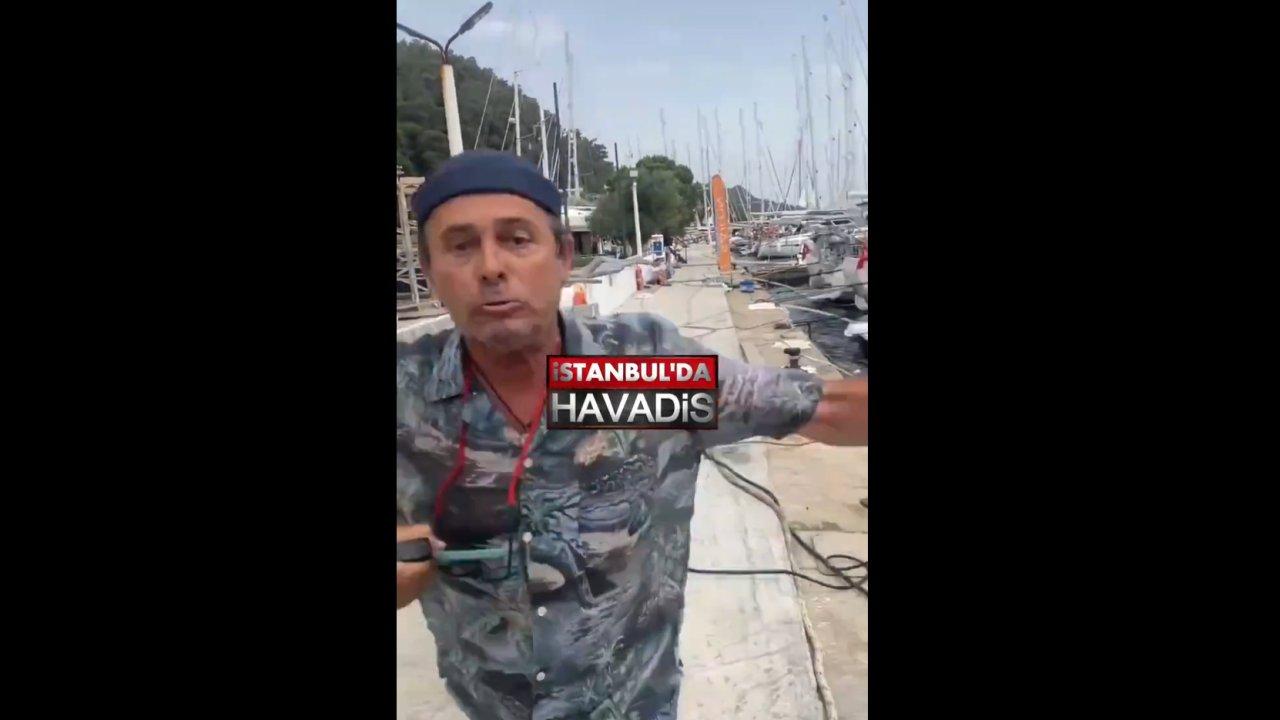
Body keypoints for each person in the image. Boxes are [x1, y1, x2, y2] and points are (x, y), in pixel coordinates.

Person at [397, 150, 867, 720]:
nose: (491, 267)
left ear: (563, 256)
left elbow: (823, 407)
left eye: (517, 240)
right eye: (461, 246)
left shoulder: (636, 374)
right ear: (429, 271)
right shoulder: (407, 394)